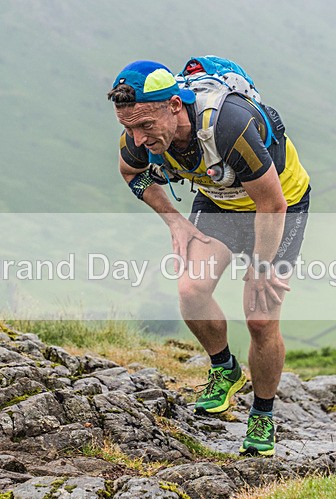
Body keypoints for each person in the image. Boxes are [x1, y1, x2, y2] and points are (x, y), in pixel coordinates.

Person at [107, 59, 310, 456]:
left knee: (260, 315)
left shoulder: (228, 126)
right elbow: (131, 173)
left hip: (277, 204)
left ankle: (263, 415)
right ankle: (225, 368)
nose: (137, 138)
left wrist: (261, 267)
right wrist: (175, 222)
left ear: (175, 106)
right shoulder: (137, 136)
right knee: (191, 289)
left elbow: (272, 203)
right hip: (220, 201)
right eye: (128, 127)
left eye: (146, 126)